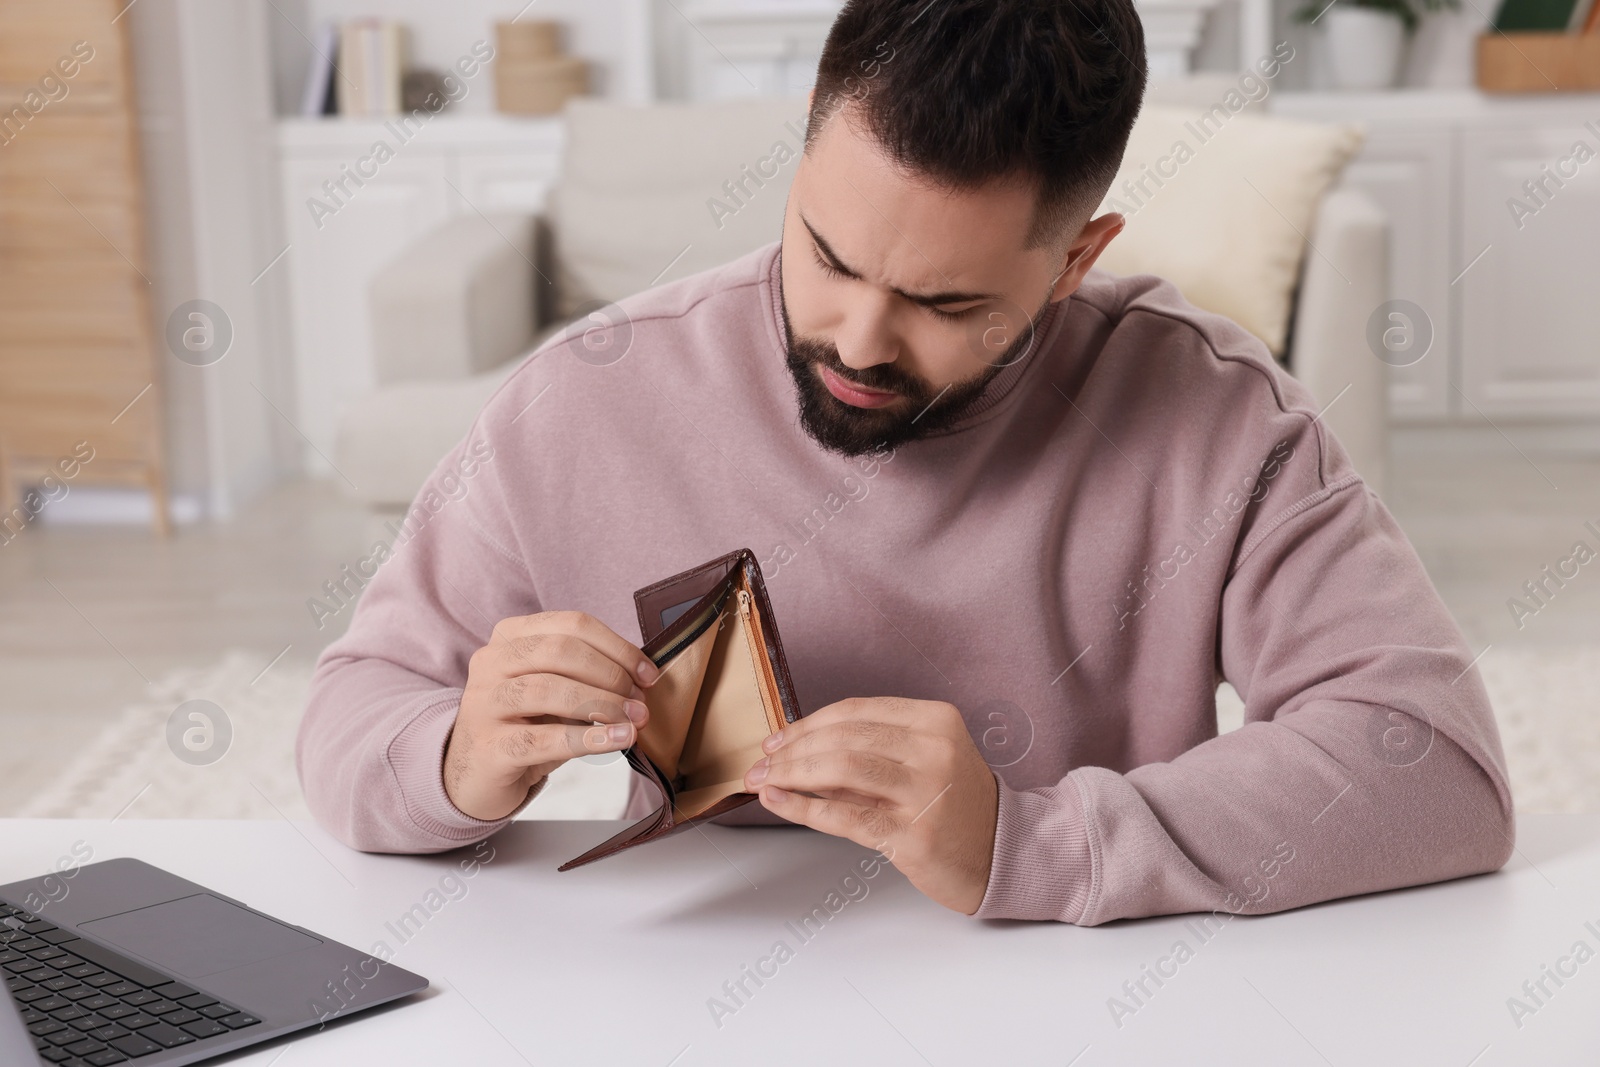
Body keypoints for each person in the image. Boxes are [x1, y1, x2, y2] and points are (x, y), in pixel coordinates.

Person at [297, 0, 1513, 924]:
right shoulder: (585, 399)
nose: (861, 340)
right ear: (803, 161)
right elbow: (349, 721)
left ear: (1076, 260)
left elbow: (1436, 765)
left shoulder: (1211, 416)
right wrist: (459, 753)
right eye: (828, 254)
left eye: (944, 300)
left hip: (1077, 999)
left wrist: (1024, 839)